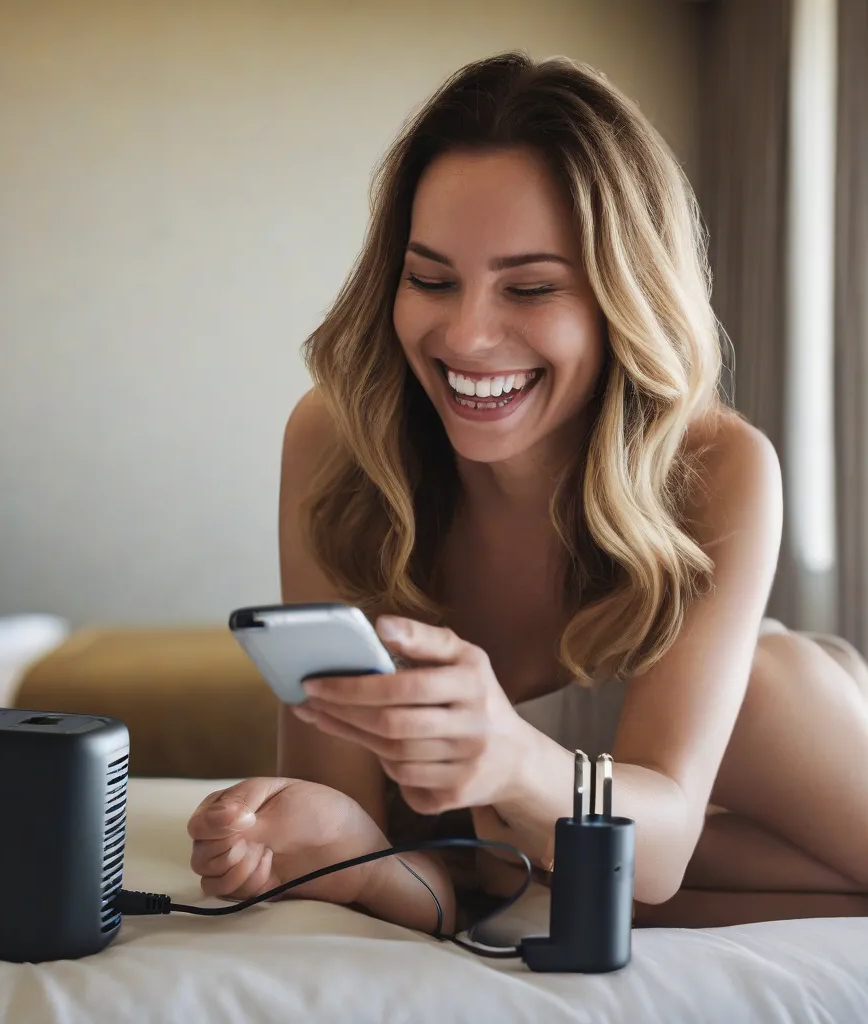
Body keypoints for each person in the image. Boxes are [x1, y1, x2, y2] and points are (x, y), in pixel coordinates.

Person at [187, 52, 868, 933]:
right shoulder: (336, 442)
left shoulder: (720, 469)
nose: (467, 335)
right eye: (431, 278)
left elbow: (651, 861)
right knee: (529, 871)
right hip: (599, 838)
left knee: (757, 704)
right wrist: (344, 858)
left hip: (776, 734)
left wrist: (512, 764)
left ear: (624, 298)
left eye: (533, 287)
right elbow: (418, 867)